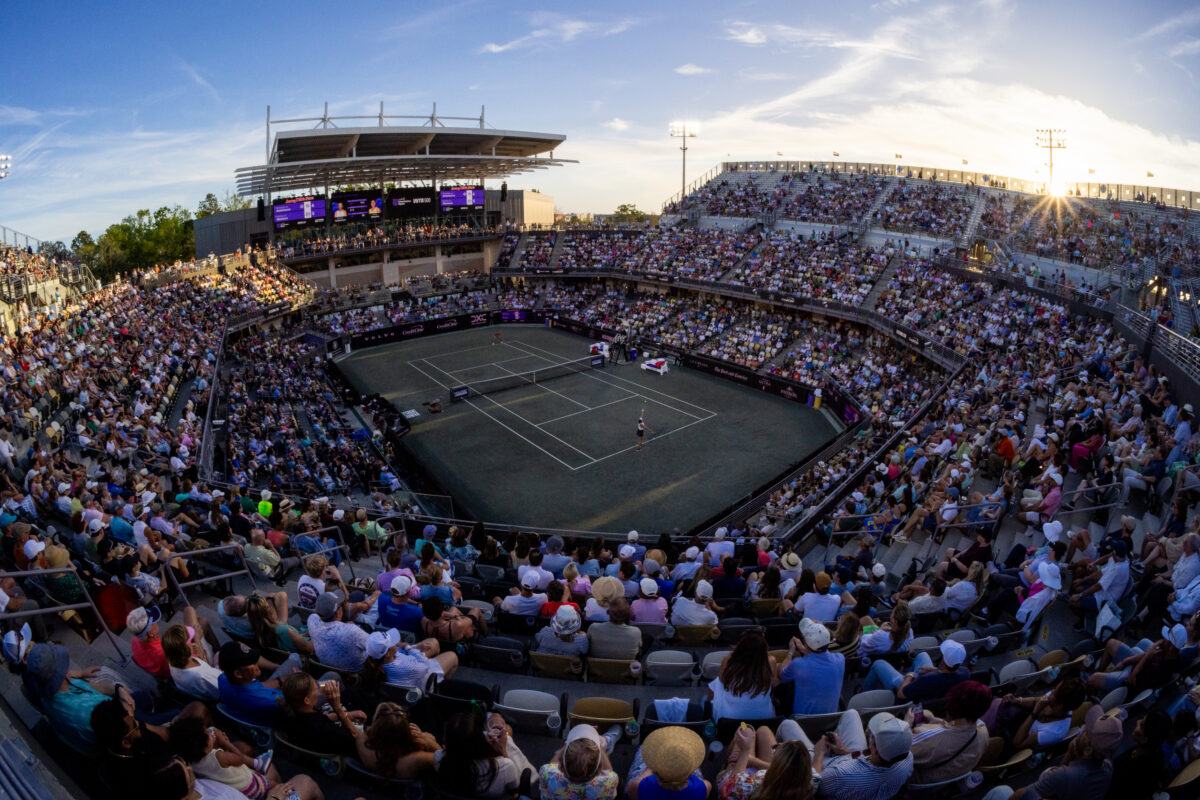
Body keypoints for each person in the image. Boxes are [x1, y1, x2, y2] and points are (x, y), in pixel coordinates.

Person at [981, 705, 1122, 800]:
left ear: (1088, 750)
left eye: (1086, 731)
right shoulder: (1108, 765)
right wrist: (1070, 754)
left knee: (1001, 791)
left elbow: (1021, 796)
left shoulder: (1064, 776)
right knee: (1048, 772)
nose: (1083, 728)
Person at [436, 710, 536, 798]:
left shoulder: (439, 758)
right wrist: (503, 751)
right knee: (508, 735)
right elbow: (515, 789)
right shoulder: (504, 766)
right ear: (479, 738)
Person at [908, 680, 992, 784]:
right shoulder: (983, 730)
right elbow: (958, 733)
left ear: (953, 705)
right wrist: (936, 721)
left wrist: (906, 724)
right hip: (945, 781)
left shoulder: (928, 738)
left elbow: (895, 751)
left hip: (917, 782)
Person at [171, 716, 277, 798]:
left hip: (236, 788)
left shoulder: (190, 761)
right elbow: (240, 759)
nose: (209, 730)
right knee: (274, 785)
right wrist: (226, 743)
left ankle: (259, 766)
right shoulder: (219, 756)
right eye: (206, 733)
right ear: (204, 747)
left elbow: (220, 768)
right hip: (250, 786)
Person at [278, 672, 364, 757]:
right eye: (316, 688)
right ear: (307, 700)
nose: (320, 687)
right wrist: (338, 708)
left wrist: (349, 715)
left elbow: (322, 718)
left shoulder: (294, 710)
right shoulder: (323, 728)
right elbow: (354, 736)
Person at [717, 727, 814, 800]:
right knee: (764, 730)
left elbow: (730, 787)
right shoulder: (810, 782)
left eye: (777, 747)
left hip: (736, 787)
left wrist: (745, 752)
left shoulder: (751, 786)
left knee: (746, 730)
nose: (778, 745)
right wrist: (754, 761)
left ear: (778, 766)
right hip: (754, 780)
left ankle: (725, 767)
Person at [864, 639, 970, 702]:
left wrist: (909, 676)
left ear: (943, 660)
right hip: (932, 688)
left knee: (878, 664)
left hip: (910, 697)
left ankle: (864, 692)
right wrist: (934, 669)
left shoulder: (928, 679)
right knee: (922, 655)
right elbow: (947, 672)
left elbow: (901, 694)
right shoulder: (965, 672)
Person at [357, 701, 441, 780]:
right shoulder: (418, 758)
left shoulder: (362, 744)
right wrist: (426, 739)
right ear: (406, 731)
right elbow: (445, 759)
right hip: (406, 789)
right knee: (425, 705)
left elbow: (364, 731)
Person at [780, 618, 845, 715]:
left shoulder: (798, 664)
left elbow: (782, 676)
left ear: (805, 644)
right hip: (830, 719)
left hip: (802, 721)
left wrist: (791, 652)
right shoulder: (840, 659)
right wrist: (805, 650)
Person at [539, 724, 621, 800]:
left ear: (561, 765)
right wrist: (599, 745)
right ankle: (606, 739)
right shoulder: (608, 784)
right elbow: (609, 772)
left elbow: (553, 764)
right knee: (618, 730)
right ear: (600, 766)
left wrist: (567, 743)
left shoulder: (548, 775)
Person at [708, 631, 776, 722]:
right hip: (763, 720)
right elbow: (773, 683)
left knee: (715, 685)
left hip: (730, 721)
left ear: (741, 647)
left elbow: (722, 681)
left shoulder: (728, 661)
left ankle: (708, 719)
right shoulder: (771, 662)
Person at [361, 628, 457, 691]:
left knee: (433, 642)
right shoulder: (406, 667)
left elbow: (397, 653)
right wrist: (408, 647)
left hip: (408, 669)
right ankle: (440, 688)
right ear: (388, 653)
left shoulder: (372, 657)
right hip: (421, 677)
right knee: (453, 656)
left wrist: (412, 647)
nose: (396, 643)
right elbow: (425, 665)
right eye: (393, 643)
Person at [628, 726, 709, 800]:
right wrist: (687, 769)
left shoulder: (642, 787)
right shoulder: (701, 788)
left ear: (657, 772)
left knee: (641, 750)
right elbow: (708, 785)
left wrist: (651, 768)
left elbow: (632, 790)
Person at [307, 592, 367, 671]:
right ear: (338, 612)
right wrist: (350, 627)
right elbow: (375, 646)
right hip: (355, 676)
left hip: (328, 669)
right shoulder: (352, 631)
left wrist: (345, 626)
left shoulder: (312, 621)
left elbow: (315, 616)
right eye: (340, 606)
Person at [246, 593, 312, 655]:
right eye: (267, 605)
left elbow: (294, 638)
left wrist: (308, 633)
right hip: (305, 653)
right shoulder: (285, 630)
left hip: (286, 653)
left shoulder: (257, 631)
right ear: (267, 609)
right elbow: (307, 648)